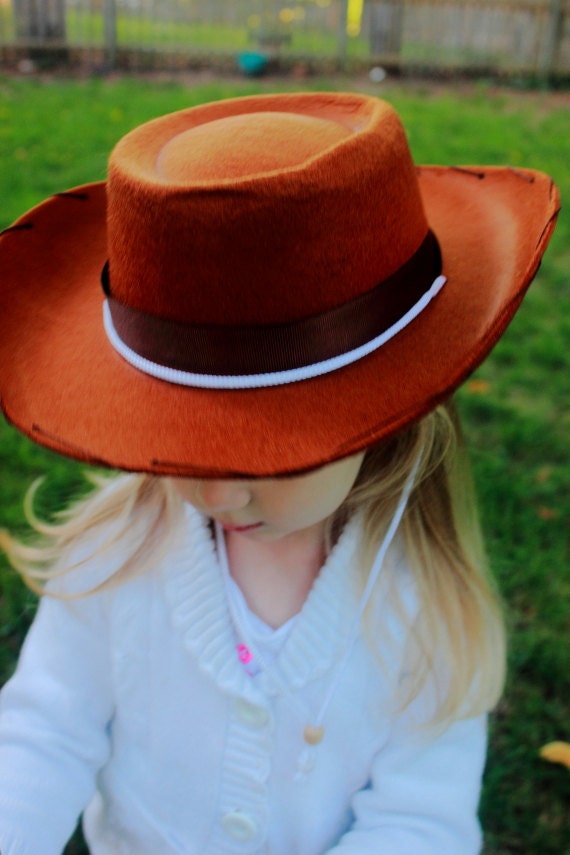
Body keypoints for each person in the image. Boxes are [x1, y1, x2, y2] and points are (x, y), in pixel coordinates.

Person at [0, 92, 559, 855]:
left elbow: (417, 823)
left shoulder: (430, 610)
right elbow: (43, 733)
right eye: (179, 443)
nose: (217, 492)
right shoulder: (114, 556)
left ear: (391, 408)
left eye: (272, 452)